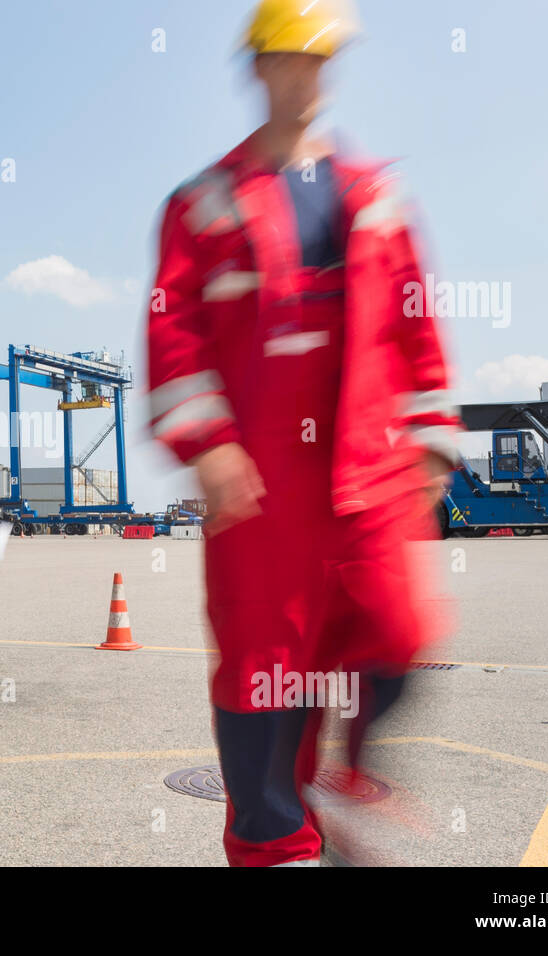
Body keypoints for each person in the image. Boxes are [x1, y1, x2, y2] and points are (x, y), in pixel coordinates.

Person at [145, 0, 460, 866]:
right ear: (259, 69)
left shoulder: (376, 195)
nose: (304, 75)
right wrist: (207, 444)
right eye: (287, 59)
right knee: (262, 666)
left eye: (317, 60)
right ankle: (275, 836)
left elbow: (414, 320)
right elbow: (174, 331)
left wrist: (431, 434)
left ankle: (332, 771)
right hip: (259, 480)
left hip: (368, 467)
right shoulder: (202, 204)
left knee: (396, 635)